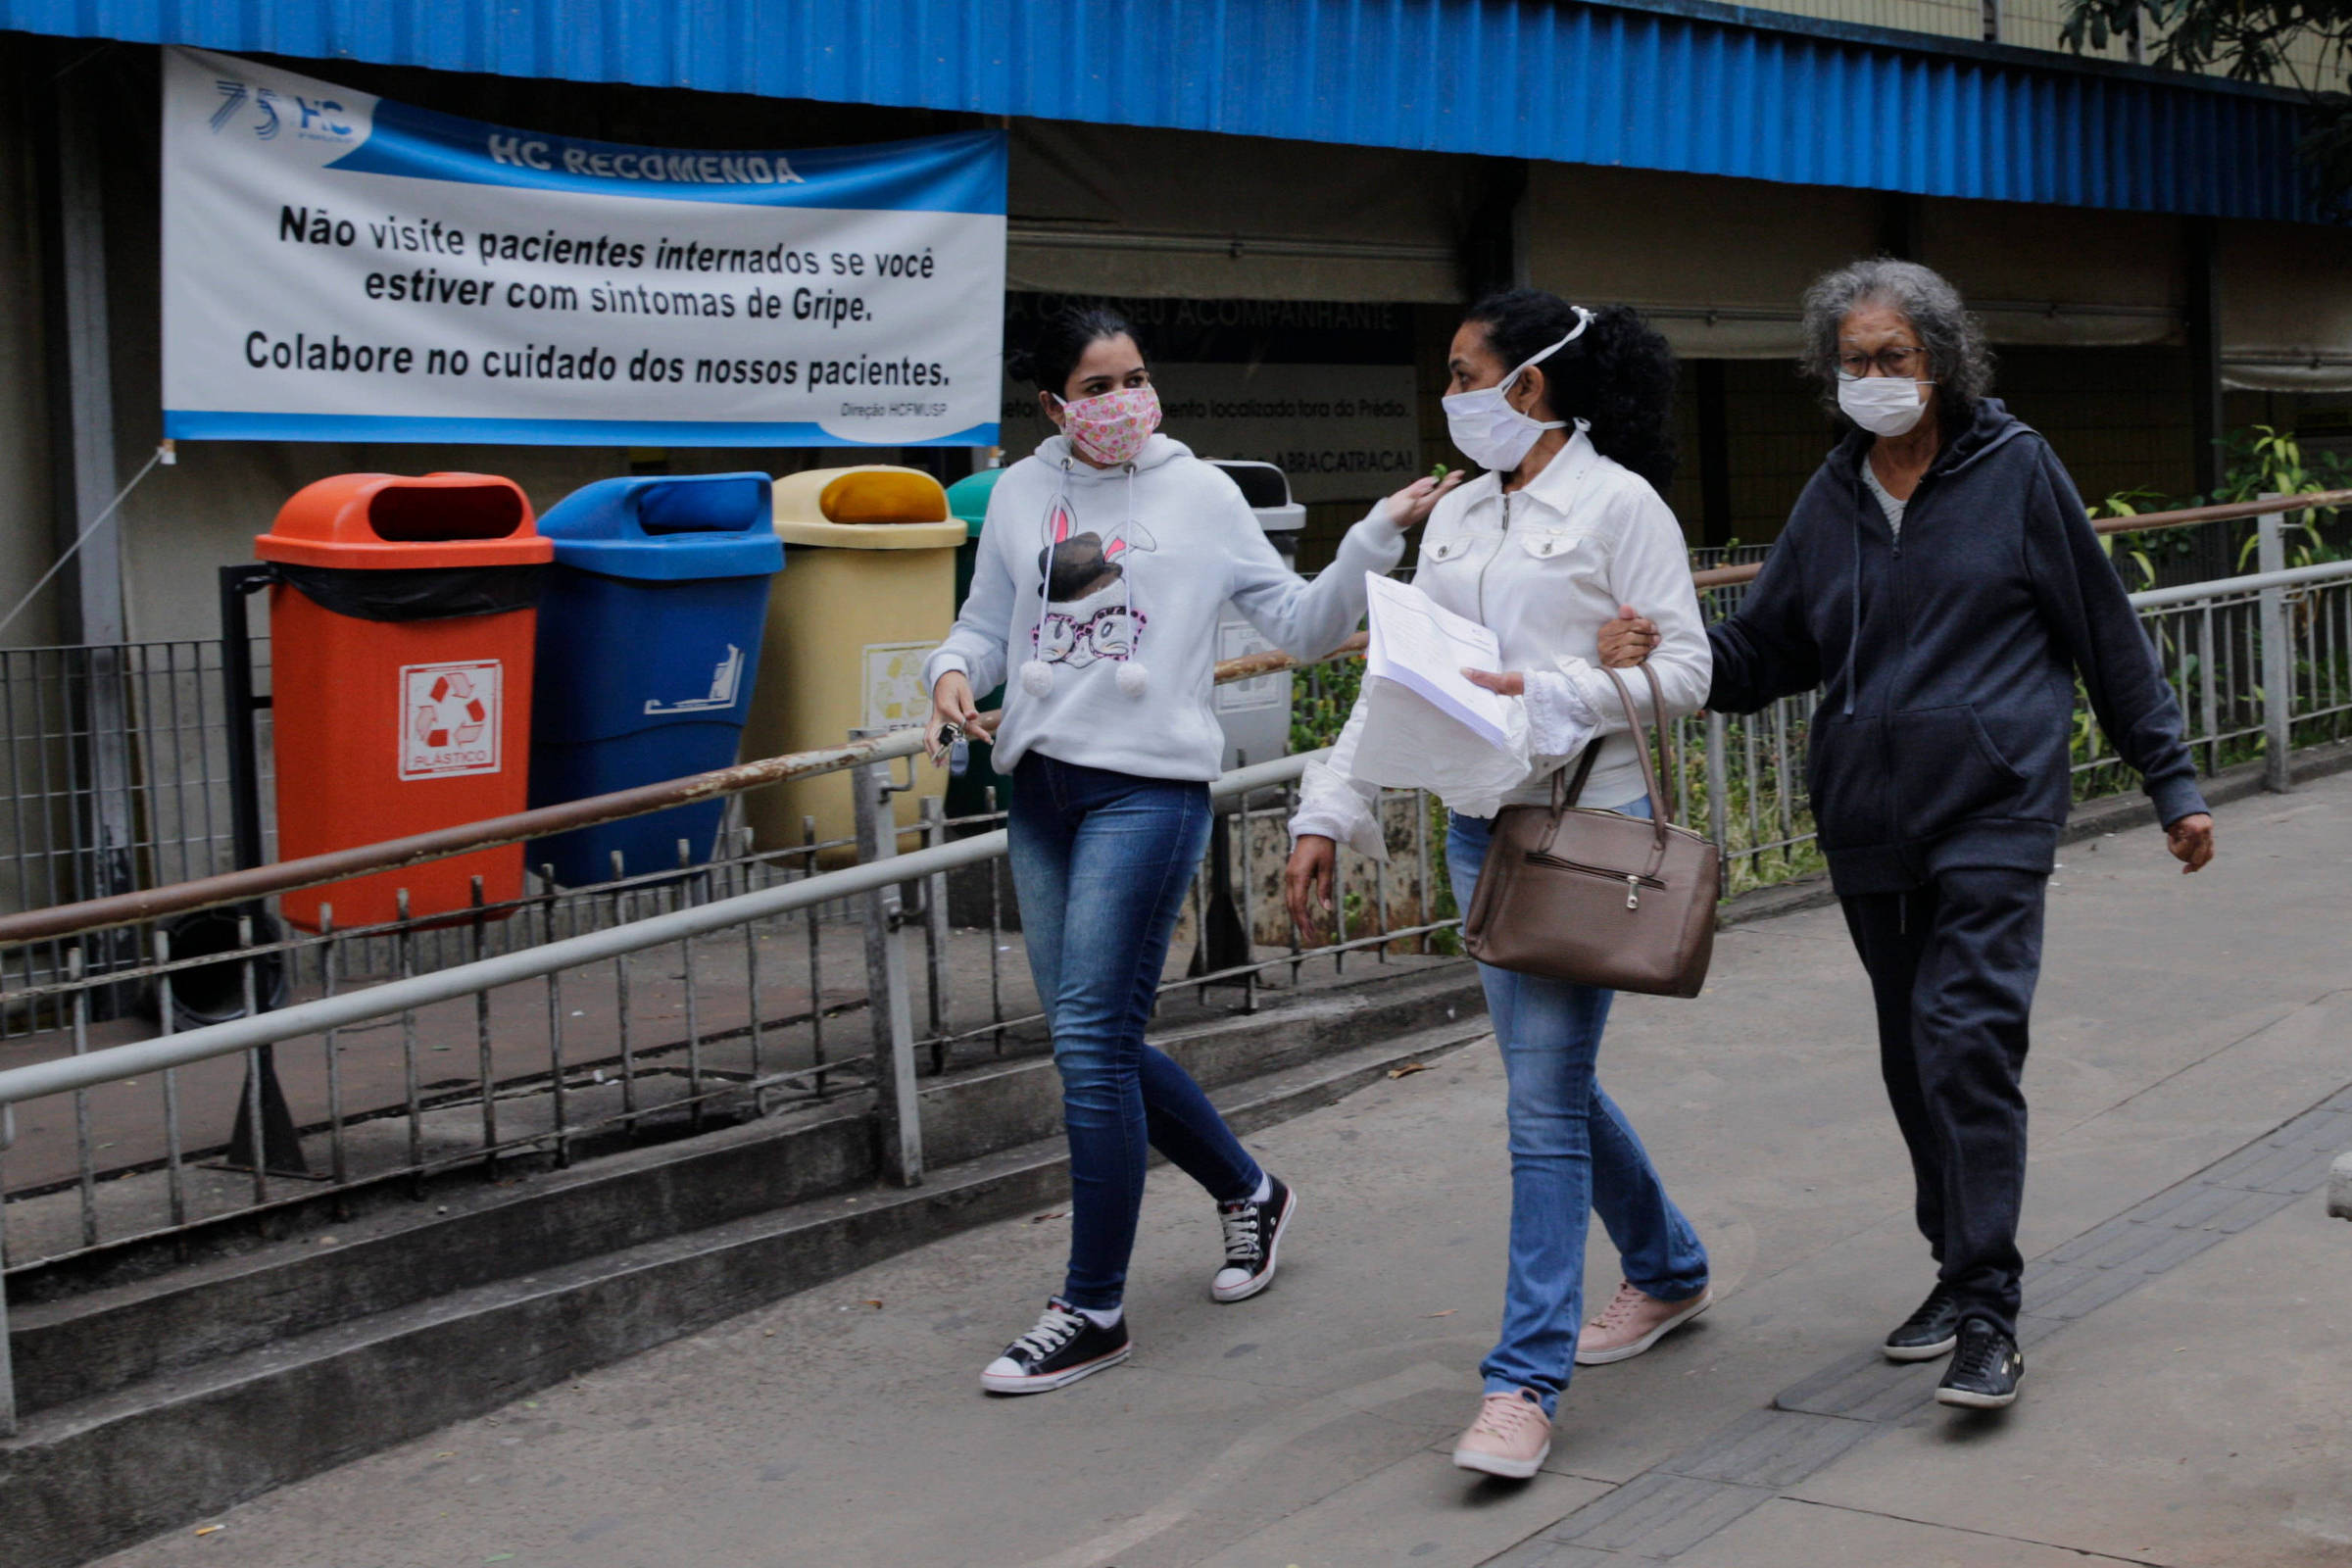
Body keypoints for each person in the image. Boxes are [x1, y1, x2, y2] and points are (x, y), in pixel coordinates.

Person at [1600, 258, 2217, 1413]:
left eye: (1896, 358)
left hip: (1993, 802)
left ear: (1941, 362)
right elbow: (1768, 651)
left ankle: (1989, 1307)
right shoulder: (1831, 497)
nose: (1875, 377)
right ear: (1828, 372)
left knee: (1966, 1037)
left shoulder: (2017, 471)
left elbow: (2104, 631)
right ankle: (1957, 1263)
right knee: (1911, 1053)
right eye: (1855, 361)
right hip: (1869, 819)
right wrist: (1668, 651)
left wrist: (2172, 782)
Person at [924, 304, 1463, 1396]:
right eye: (1098, 384)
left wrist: (1372, 536)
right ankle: (1250, 1190)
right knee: (1098, 1041)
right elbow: (987, 624)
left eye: (1134, 376)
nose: (1124, 400)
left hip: (1149, 788)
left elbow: (1304, 629)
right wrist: (947, 673)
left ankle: (1092, 1306)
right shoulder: (1024, 493)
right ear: (1053, 404)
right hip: (1041, 788)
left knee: (1087, 1035)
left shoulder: (1202, 493)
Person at [1284, 289, 1714, 1480]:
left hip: (1585, 826)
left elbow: (1686, 666)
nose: (1453, 392)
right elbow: (1405, 671)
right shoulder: (1463, 512)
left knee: (1537, 1102)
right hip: (1484, 830)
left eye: (1467, 372)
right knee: (1553, 1086)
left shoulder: (1620, 506)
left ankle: (1523, 1381)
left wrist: (1559, 687)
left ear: (1528, 386)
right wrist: (1331, 807)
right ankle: (1669, 1267)